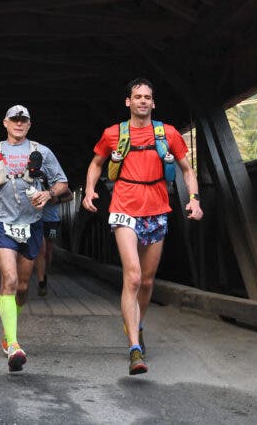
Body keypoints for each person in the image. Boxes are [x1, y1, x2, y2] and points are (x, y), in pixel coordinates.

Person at [82, 78, 203, 376]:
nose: (143, 101)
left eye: (148, 97)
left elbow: (188, 170)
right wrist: (88, 190)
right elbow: (97, 163)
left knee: (148, 282)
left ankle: (138, 324)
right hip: (123, 206)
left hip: (158, 208)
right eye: (137, 97)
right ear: (128, 102)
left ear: (153, 102)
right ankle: (134, 348)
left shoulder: (168, 133)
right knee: (133, 277)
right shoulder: (114, 133)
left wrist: (195, 200)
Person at [0, 104, 68, 372]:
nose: (19, 124)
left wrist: (49, 195)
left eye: (24, 120)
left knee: (23, 287)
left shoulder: (41, 152)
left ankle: (7, 333)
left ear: (29, 124)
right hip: (1, 221)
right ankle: (13, 344)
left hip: (32, 223)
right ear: (5, 122)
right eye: (15, 119)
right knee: (9, 279)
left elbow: (62, 183)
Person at [34, 188, 65, 297]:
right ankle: (42, 274)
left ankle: (46, 271)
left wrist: (58, 200)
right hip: (39, 220)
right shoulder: (36, 183)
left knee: (49, 248)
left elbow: (70, 195)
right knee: (41, 248)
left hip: (53, 222)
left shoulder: (55, 183)